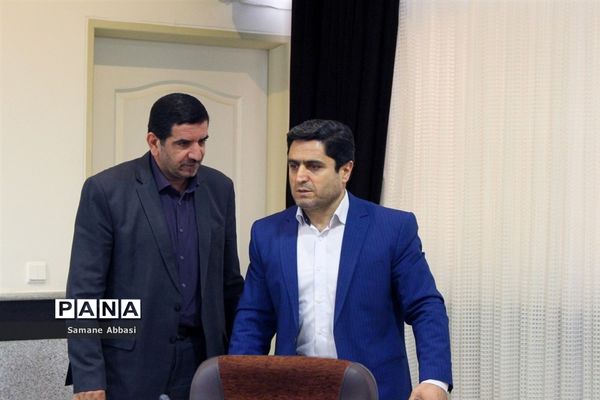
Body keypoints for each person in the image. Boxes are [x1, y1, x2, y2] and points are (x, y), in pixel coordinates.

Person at [229, 119, 452, 400]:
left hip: (374, 390)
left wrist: (434, 379)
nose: (299, 177)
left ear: (345, 170)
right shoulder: (267, 234)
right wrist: (239, 384)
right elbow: (254, 318)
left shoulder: (392, 229)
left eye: (314, 166)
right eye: (294, 165)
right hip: (294, 390)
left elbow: (425, 306)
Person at [66, 93, 244, 400]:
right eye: (183, 143)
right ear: (153, 141)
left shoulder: (220, 188)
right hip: (129, 366)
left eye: (202, 141)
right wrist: (88, 377)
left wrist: (239, 361)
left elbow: (229, 283)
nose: (196, 153)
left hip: (202, 362)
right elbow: (84, 292)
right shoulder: (106, 190)